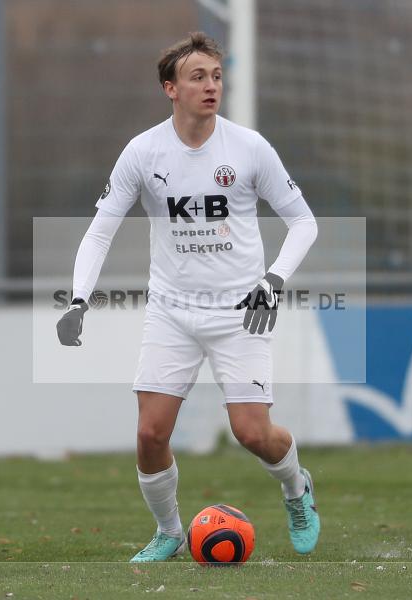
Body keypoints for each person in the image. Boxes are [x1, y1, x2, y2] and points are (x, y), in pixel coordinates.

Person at [56, 32, 319, 562]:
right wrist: (78, 300)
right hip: (171, 313)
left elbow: (303, 223)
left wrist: (272, 281)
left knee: (251, 432)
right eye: (198, 77)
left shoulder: (248, 148)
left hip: (240, 314)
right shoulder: (143, 151)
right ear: (170, 88)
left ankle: (297, 490)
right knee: (151, 434)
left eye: (217, 76)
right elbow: (100, 231)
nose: (211, 86)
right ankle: (170, 532)